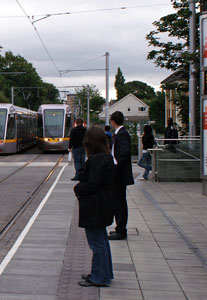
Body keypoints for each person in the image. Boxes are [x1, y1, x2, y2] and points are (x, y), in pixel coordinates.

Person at [74, 126, 116, 287]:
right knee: (102, 241)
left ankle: (100, 277)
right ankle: (104, 273)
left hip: (95, 207)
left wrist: (77, 188)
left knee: (97, 243)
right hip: (102, 205)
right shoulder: (106, 157)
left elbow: (92, 183)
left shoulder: (97, 159)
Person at [108, 111, 134, 240]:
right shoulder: (119, 134)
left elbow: (124, 153)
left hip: (119, 174)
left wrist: (116, 166)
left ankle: (121, 230)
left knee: (120, 202)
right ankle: (119, 228)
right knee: (118, 201)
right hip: (118, 173)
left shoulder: (122, 134)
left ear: (113, 121)